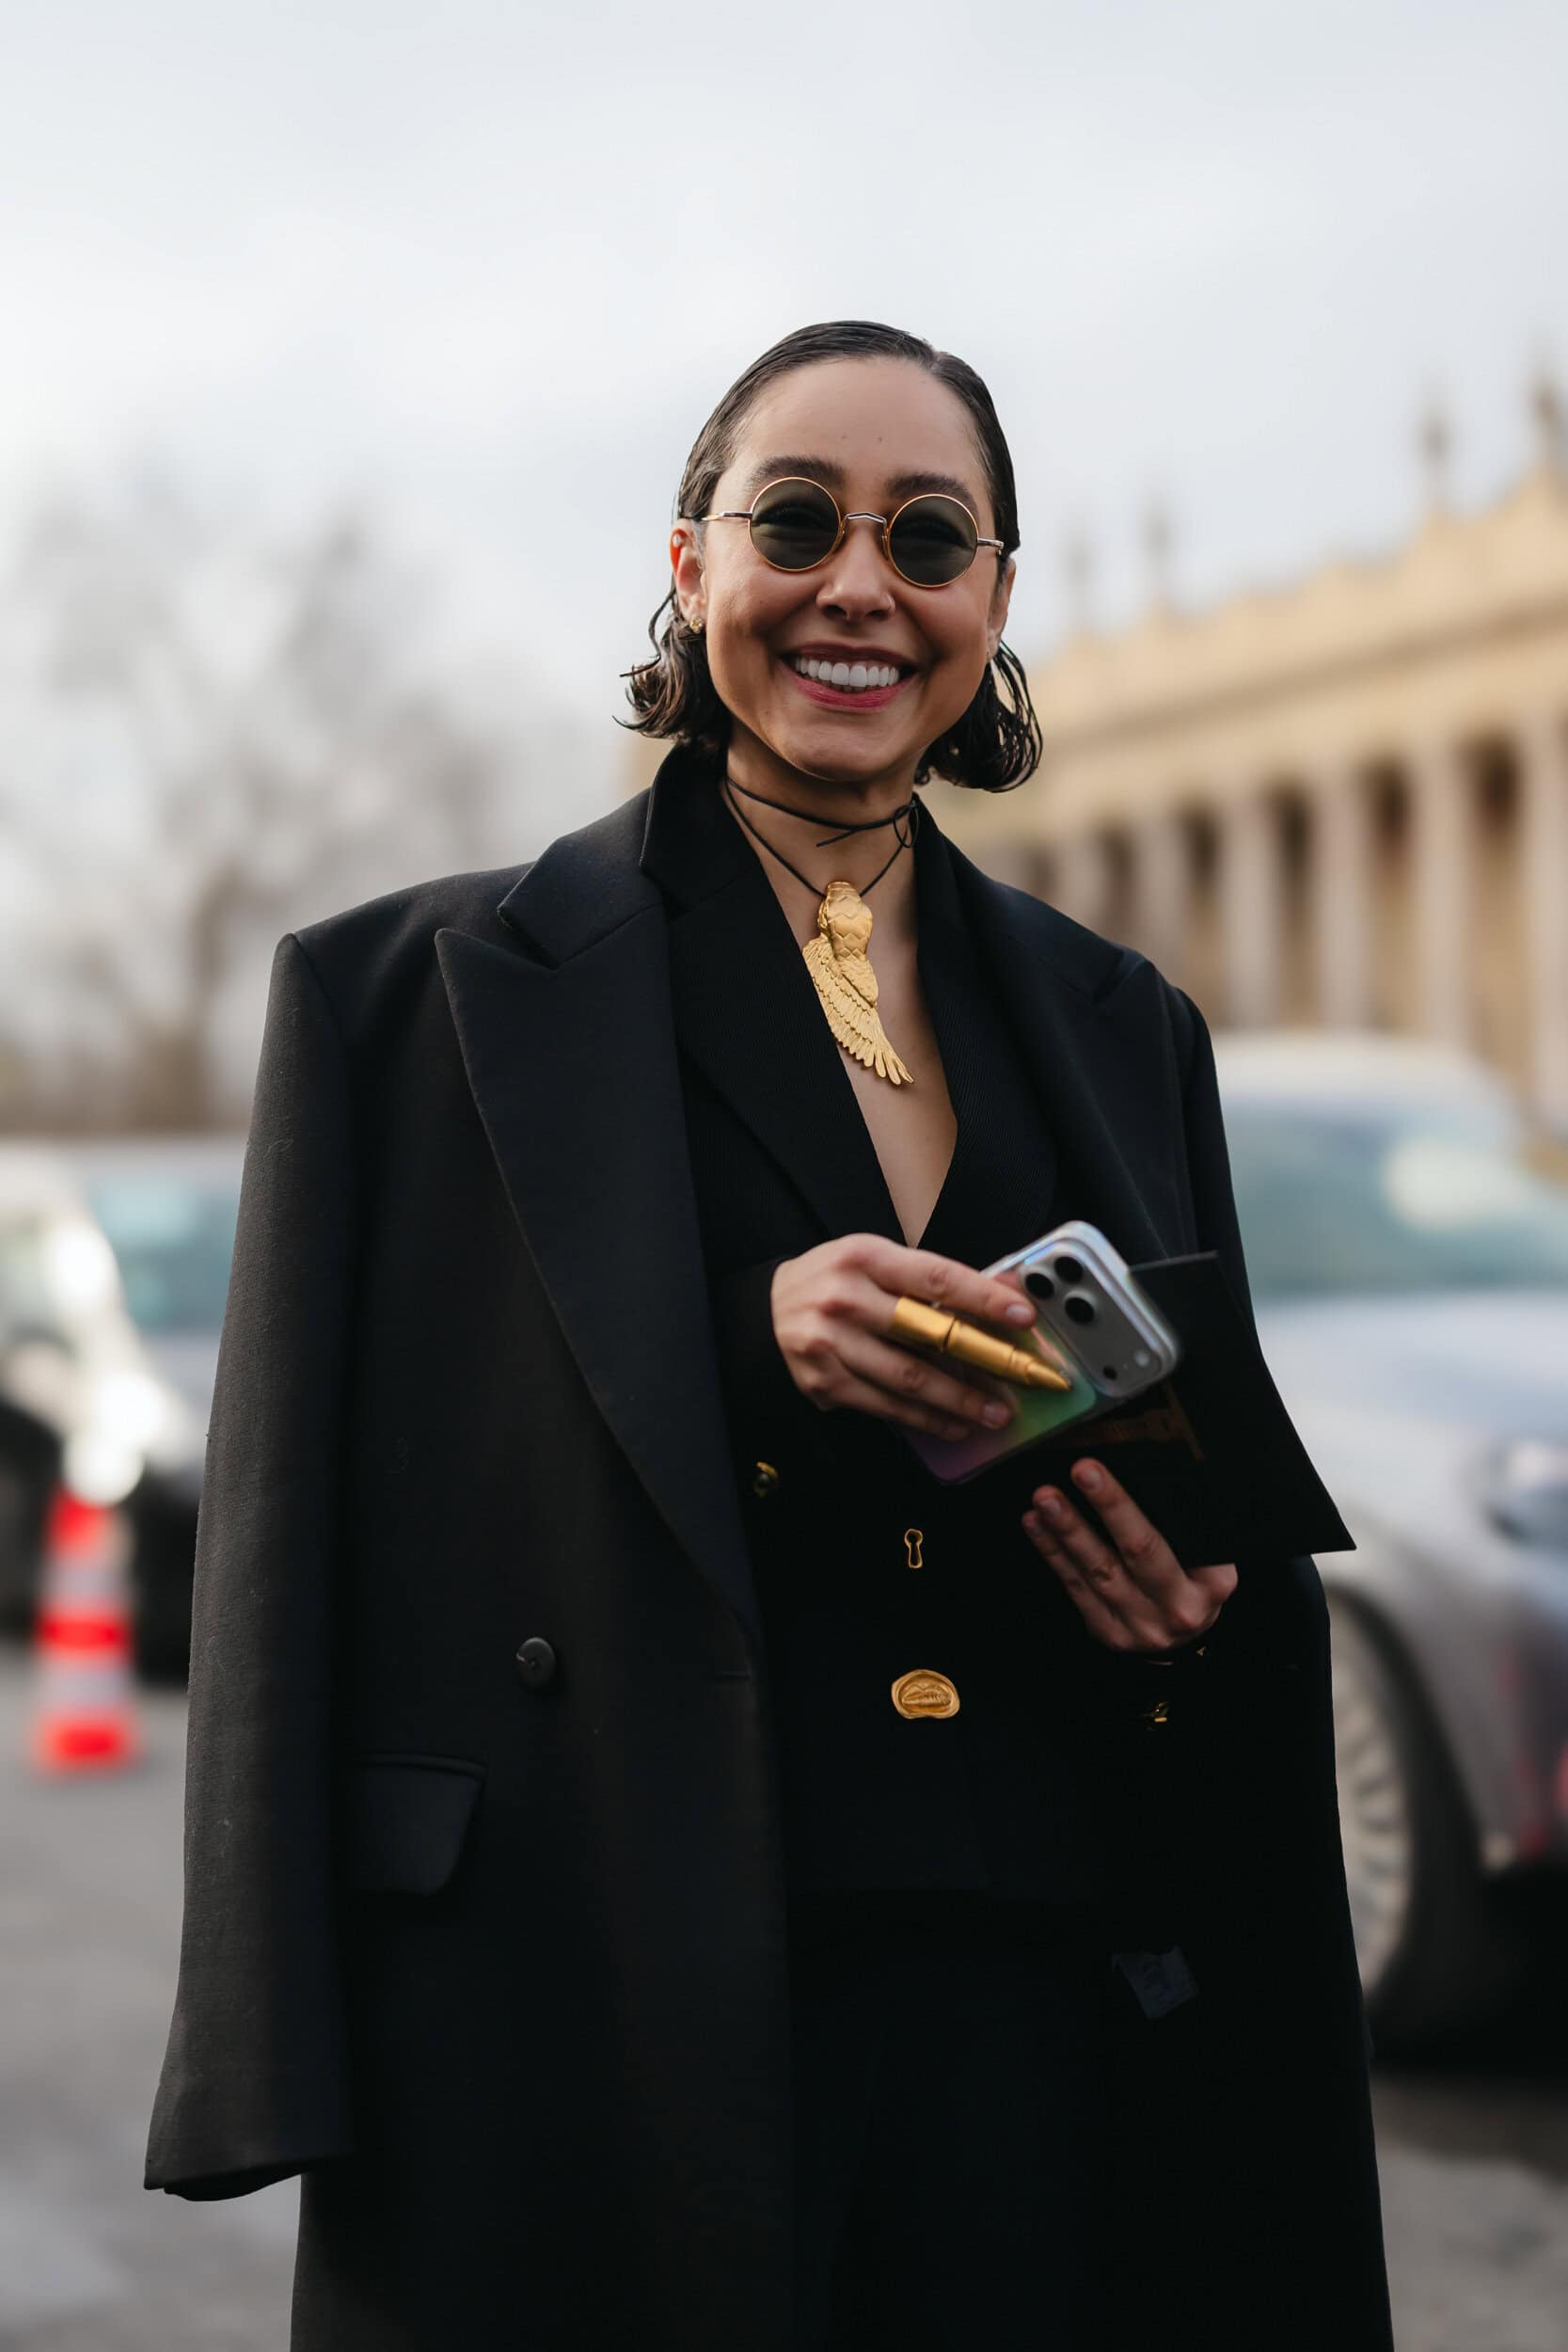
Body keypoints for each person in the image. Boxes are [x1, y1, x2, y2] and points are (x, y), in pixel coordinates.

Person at [145, 318, 1393, 2350]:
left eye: (930, 534)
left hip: (1041, 2012)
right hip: (587, 1997)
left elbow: (1195, 1467)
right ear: (690, 563)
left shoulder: (1121, 1021)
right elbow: (287, 1558)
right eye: (795, 519)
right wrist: (750, 1334)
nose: (859, 583)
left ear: (994, 597)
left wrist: (1187, 1618)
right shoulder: (407, 997)